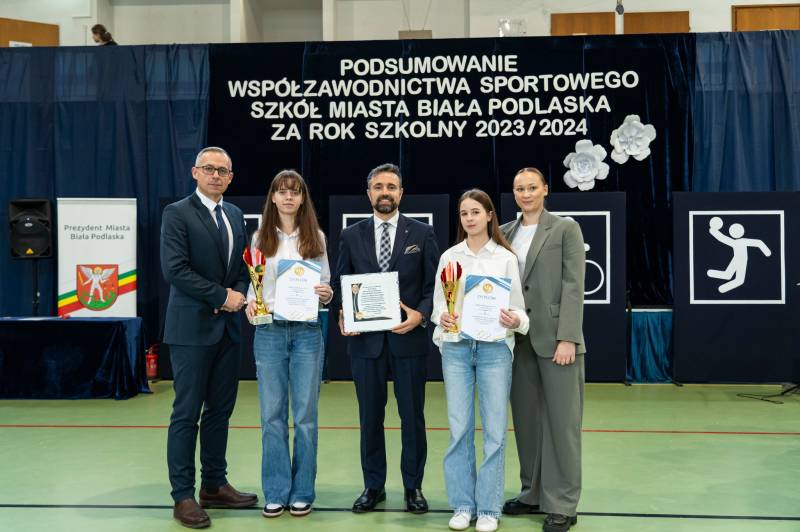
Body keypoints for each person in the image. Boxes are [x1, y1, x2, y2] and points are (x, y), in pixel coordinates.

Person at [332, 163, 440, 514]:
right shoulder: (351, 235)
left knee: (412, 417)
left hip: (408, 341)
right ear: (369, 194)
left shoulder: (422, 233)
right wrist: (344, 313)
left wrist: (421, 315)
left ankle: (413, 487)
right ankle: (373, 486)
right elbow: (341, 283)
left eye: (391, 187)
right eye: (378, 186)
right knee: (369, 418)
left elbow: (433, 286)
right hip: (366, 343)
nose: (385, 192)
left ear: (401, 193)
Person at [161, 147, 257, 529]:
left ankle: (214, 485)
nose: (216, 175)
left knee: (220, 411)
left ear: (230, 177)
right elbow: (175, 269)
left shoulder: (234, 214)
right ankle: (183, 495)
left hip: (228, 331)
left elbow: (242, 268)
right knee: (186, 413)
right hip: (191, 331)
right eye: (209, 169)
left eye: (223, 171)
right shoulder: (177, 213)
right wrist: (221, 297)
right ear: (195, 172)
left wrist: (237, 294)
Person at [432, 189, 529, 532]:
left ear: (489, 215)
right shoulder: (449, 257)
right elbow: (439, 307)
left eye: (475, 212)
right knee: (459, 429)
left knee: (494, 432)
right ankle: (462, 504)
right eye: (464, 213)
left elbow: (519, 310)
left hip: (494, 350)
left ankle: (488, 507)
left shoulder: (505, 258)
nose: (469, 218)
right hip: (457, 349)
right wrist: (443, 318)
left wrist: (514, 320)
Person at [500, 167, 586, 532]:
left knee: (562, 425)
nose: (526, 194)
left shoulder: (565, 228)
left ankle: (562, 502)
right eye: (520, 188)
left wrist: (568, 337)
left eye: (532, 187)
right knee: (527, 422)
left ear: (545, 190)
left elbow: (573, 285)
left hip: (556, 340)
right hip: (517, 340)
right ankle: (532, 493)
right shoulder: (504, 231)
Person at [244, 170, 333, 518]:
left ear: (303, 198)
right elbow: (254, 285)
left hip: (308, 332)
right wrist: (250, 303)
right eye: (282, 191)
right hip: (269, 331)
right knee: (272, 416)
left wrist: (326, 294)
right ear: (273, 197)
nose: (288, 197)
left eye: (294, 192)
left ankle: (303, 491)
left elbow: (325, 285)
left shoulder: (317, 237)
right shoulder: (260, 237)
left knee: (306, 416)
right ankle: (276, 491)